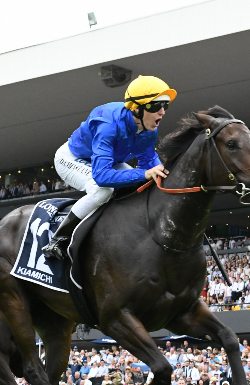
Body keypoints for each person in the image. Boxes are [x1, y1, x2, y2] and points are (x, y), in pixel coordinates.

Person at [42, 75, 177, 260]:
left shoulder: (150, 131)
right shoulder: (107, 124)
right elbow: (102, 176)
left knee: (144, 185)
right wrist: (146, 173)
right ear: (136, 108)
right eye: (156, 106)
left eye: (165, 106)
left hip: (109, 161)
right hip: (72, 158)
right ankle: (58, 239)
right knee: (102, 191)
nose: (162, 112)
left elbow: (150, 167)